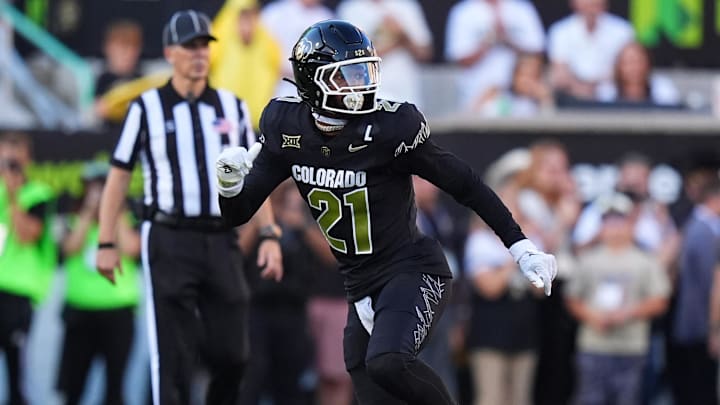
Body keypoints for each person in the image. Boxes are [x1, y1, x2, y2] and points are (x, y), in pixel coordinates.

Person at [215, 20, 557, 405]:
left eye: (364, 71)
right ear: (313, 81)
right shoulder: (286, 125)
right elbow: (237, 213)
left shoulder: (390, 128)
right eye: (346, 76)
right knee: (372, 393)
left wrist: (520, 245)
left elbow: (466, 184)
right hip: (358, 284)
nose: (360, 85)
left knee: (388, 362)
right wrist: (228, 184)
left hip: (411, 269)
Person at [96, 10, 283, 405]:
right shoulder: (146, 107)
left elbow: (254, 175)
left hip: (220, 237)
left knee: (234, 354)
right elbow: (117, 177)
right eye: (190, 46)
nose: (199, 54)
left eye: (204, 45)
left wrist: (268, 232)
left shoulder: (233, 108)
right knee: (174, 354)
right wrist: (106, 241)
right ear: (169, 52)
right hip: (168, 237)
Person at [565, 192, 670, 405]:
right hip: (594, 345)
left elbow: (660, 300)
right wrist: (592, 316)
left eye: (620, 221)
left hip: (631, 346)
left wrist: (628, 313)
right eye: (609, 222)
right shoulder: (588, 260)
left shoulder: (645, 261)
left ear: (631, 224)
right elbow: (572, 297)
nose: (614, 228)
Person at [56, 162, 141, 405]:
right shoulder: (73, 217)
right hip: (80, 311)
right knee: (74, 385)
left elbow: (132, 249)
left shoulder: (126, 218)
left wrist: (116, 210)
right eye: (95, 187)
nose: (100, 192)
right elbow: (69, 248)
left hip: (118, 312)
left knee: (115, 386)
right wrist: (89, 210)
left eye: (106, 187)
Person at [0, 132, 56, 405]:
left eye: (15, 155)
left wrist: (13, 195)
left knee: (16, 370)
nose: (9, 161)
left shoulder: (37, 194)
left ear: (27, 158)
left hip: (18, 293)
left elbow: (27, 234)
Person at [669, 179, 720, 405]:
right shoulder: (703, 230)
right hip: (701, 320)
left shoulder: (697, 226)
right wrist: (714, 327)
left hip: (698, 319)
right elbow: (712, 283)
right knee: (701, 385)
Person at [548, 0, 634, 101]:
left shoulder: (623, 30)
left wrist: (596, 85)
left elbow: (630, 71)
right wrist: (582, 89)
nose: (591, 3)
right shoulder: (560, 31)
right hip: (573, 100)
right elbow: (560, 74)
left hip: (615, 100)